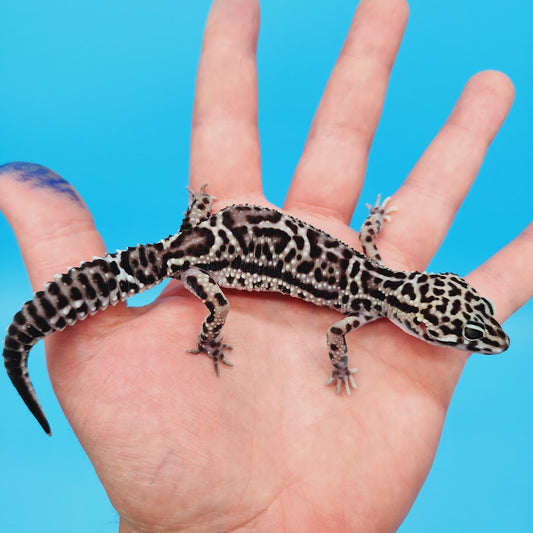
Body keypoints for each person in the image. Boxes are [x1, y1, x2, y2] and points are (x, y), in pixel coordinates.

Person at [1, 0, 531, 531]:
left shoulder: (374, 279)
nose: (473, 341)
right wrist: (336, 368)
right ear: (421, 317)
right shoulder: (363, 305)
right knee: (219, 307)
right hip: (199, 264)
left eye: (464, 330)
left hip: (196, 236)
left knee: (196, 263)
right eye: (461, 331)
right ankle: (208, 337)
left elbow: (365, 252)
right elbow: (335, 338)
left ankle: (190, 231)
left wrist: (372, 220)